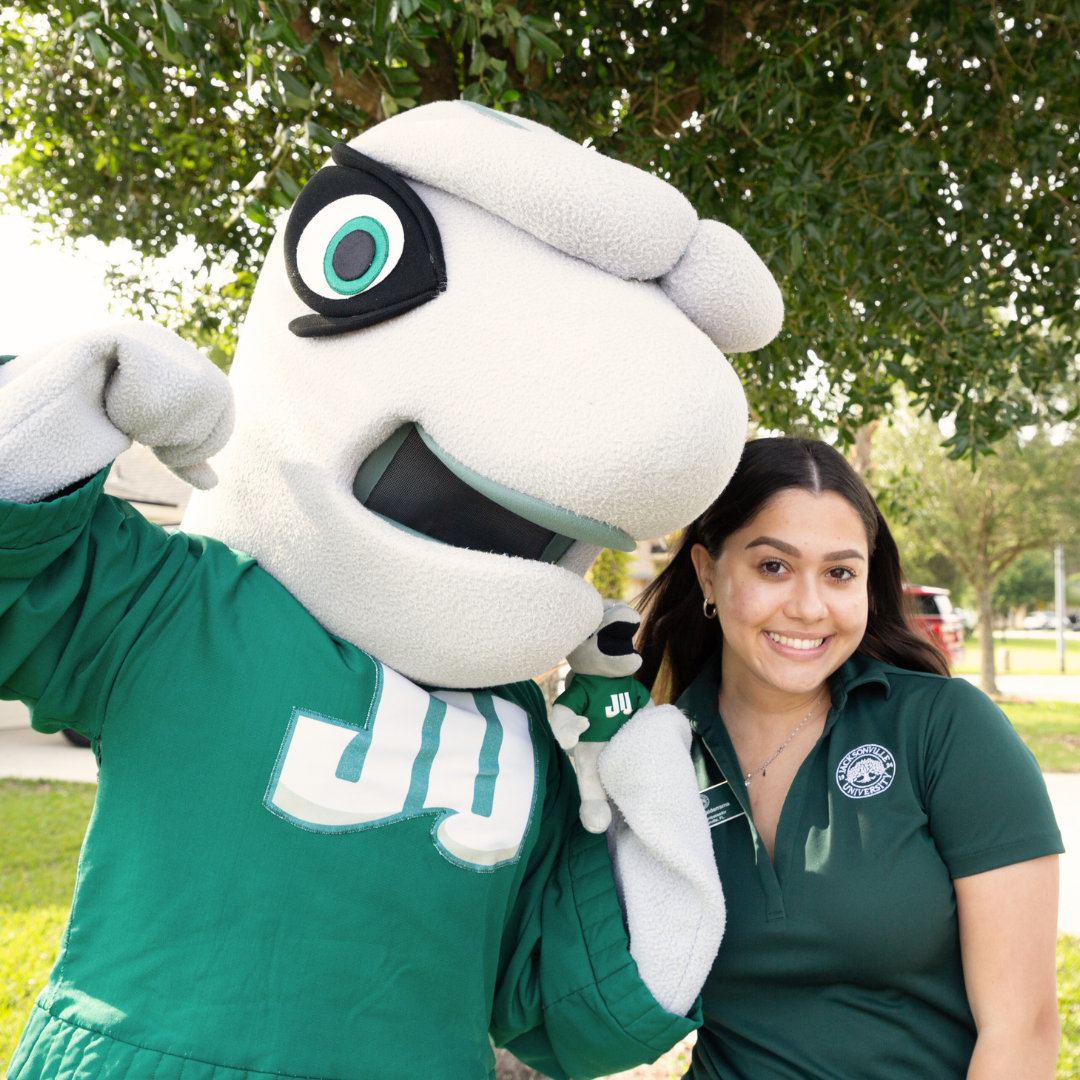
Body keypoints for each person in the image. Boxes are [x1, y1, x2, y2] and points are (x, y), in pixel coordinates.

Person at [635, 436, 1063, 1080]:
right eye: (773, 567)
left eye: (839, 573)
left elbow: (1022, 1028)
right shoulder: (650, 757)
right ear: (706, 572)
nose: (809, 607)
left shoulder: (946, 730)